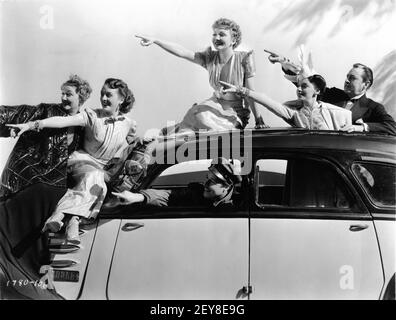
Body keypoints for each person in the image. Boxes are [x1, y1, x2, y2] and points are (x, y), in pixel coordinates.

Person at [8, 78, 137, 244]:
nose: (104, 98)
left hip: (101, 169)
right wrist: (33, 124)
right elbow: (62, 121)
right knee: (96, 178)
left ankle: (65, 218)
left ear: (121, 99)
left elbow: (133, 146)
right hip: (80, 162)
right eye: (102, 94)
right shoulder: (91, 115)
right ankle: (68, 219)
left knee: (100, 185)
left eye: (109, 95)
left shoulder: (129, 124)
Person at [135, 18, 267, 135]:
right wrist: (156, 40)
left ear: (233, 39)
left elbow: (251, 93)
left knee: (207, 123)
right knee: (197, 114)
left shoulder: (244, 59)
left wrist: (259, 119)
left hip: (235, 113)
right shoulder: (209, 58)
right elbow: (183, 52)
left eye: (222, 34)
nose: (217, 38)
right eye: (214, 34)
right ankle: (168, 135)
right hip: (213, 106)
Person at [0, 74, 92, 200]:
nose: (63, 97)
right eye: (62, 93)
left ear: (80, 97)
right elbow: (16, 113)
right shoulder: (47, 111)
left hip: (49, 189)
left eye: (68, 94)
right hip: (23, 180)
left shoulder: (82, 127)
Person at [267, 52, 396, 135]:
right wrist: (284, 62)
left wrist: (360, 127)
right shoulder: (333, 94)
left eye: (352, 78)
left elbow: (392, 127)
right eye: (347, 76)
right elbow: (309, 84)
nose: (346, 80)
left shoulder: (372, 107)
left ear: (366, 84)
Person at [219, 74, 351, 130]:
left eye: (304, 86)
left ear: (317, 91)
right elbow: (267, 101)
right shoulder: (294, 112)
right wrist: (241, 90)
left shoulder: (334, 112)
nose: (299, 89)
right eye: (298, 86)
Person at [110, 157, 242, 209]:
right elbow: (169, 195)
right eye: (208, 178)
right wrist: (137, 196)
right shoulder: (197, 193)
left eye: (212, 181)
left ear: (227, 186)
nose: (206, 184)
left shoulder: (234, 208)